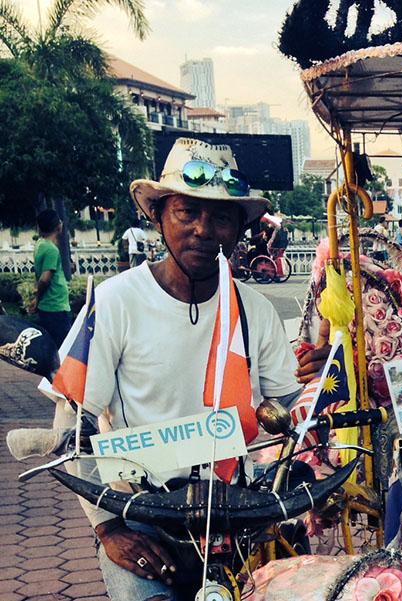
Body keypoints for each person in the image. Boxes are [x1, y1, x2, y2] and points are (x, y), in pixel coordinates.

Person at [52, 138, 329, 600]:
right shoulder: (114, 303)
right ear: (158, 216)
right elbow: (71, 417)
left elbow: (285, 408)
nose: (203, 230)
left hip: (234, 510)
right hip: (143, 511)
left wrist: (317, 379)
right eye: (187, 212)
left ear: (239, 229)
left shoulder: (252, 309)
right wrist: (108, 530)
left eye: (221, 216)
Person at [31, 209, 71, 347]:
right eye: (60, 221)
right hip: (56, 306)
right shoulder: (51, 250)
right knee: (63, 347)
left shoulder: (40, 244)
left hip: (50, 306)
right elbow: (45, 278)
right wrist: (37, 298)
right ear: (57, 226)